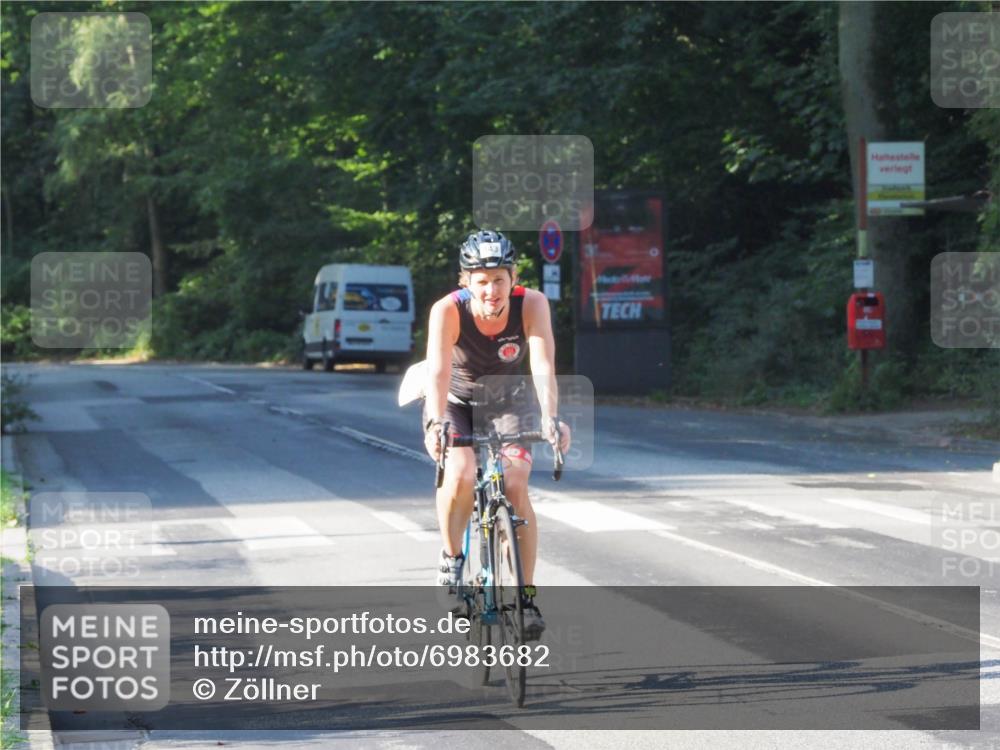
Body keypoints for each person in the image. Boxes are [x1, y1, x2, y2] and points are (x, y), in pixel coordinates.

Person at [422, 229, 572, 640]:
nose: (491, 290)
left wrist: (550, 417)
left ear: (513, 277)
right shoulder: (447, 311)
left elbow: (543, 364)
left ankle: (524, 596)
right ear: (465, 281)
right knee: (463, 473)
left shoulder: (532, 303)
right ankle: (451, 560)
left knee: (516, 479)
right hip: (455, 401)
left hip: (506, 402)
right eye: (481, 281)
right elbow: (435, 372)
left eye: (499, 280)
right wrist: (436, 423)